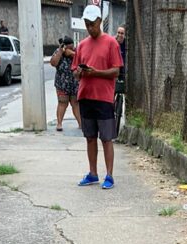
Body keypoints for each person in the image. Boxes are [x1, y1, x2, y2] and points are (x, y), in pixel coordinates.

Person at [73, 4, 123, 190]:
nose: (90, 28)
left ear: (100, 22)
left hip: (103, 98)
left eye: (92, 24)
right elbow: (75, 72)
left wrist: (96, 72)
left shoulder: (111, 43)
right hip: (85, 96)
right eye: (87, 24)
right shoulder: (82, 45)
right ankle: (93, 173)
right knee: (90, 137)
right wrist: (79, 73)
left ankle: (109, 175)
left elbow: (116, 71)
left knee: (106, 138)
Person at [50, 36, 81, 132]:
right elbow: (53, 63)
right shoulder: (59, 52)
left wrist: (71, 53)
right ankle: (59, 124)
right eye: (69, 47)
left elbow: (82, 59)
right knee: (62, 103)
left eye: (72, 47)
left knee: (75, 103)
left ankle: (81, 123)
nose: (71, 48)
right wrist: (60, 51)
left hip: (74, 82)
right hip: (62, 83)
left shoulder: (76, 51)